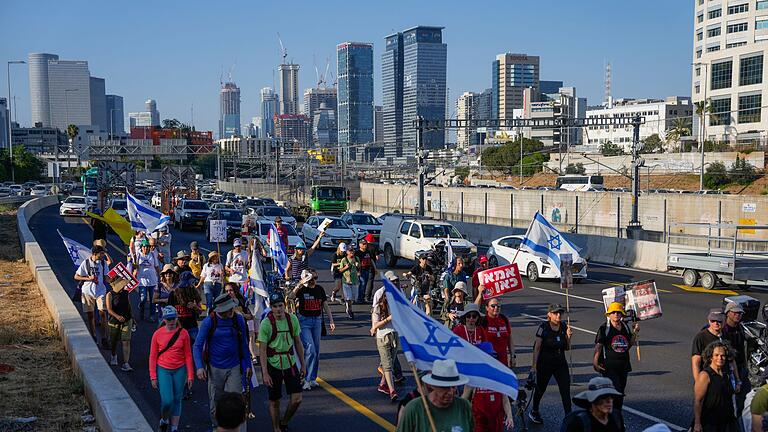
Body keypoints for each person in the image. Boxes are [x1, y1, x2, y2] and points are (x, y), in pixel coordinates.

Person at [193, 293, 252, 429]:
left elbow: (244, 343)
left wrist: (248, 364)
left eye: (232, 308)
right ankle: (217, 427)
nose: (232, 311)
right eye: (228, 309)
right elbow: (197, 345)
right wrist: (199, 367)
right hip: (215, 368)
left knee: (237, 403)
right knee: (215, 403)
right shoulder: (209, 321)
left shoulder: (238, 320)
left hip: (234, 366)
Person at [259, 292, 306, 432]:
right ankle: (276, 428)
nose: (278, 309)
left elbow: (298, 343)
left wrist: (303, 365)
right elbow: (262, 350)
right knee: (275, 400)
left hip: (290, 363)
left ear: (284, 306)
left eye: (280, 306)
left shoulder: (292, 319)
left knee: (297, 399)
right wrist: (265, 373)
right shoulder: (266, 324)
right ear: (271, 307)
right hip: (273, 364)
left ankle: (284, 422)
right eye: (275, 306)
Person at [149, 306, 194, 432]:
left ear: (176, 318)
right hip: (163, 369)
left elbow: (188, 355)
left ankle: (174, 428)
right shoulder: (157, 334)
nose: (171, 321)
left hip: (180, 369)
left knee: (177, 398)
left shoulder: (183, 333)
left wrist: (190, 375)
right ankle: (164, 419)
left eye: (173, 318)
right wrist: (153, 376)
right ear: (164, 320)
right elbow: (152, 356)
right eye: (168, 319)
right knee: (167, 400)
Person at [396, 359, 473, 432]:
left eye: (453, 387)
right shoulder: (413, 409)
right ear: (432, 385)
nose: (450, 392)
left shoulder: (465, 406)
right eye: (445, 387)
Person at [289, 269, 335, 390]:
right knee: (311, 350)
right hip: (304, 321)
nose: (313, 281)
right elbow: (290, 297)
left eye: (315, 278)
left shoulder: (319, 289)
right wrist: (300, 284)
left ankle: (313, 378)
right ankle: (306, 378)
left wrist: (331, 320)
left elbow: (325, 305)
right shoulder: (302, 289)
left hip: (317, 321)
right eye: (311, 279)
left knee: (316, 351)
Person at [593, 301, 639, 422]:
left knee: (620, 393)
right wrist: (595, 362)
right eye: (613, 312)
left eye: (618, 312)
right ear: (609, 315)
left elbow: (628, 345)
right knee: (615, 391)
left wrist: (635, 333)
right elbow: (599, 346)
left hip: (623, 365)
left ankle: (617, 416)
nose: (616, 314)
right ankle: (611, 417)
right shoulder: (604, 328)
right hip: (609, 366)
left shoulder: (625, 326)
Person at [530, 303, 573, 425]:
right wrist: (534, 366)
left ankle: (568, 416)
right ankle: (534, 410)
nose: (558, 315)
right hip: (545, 363)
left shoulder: (564, 326)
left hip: (560, 363)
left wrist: (569, 337)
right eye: (555, 313)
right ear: (549, 314)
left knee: (565, 389)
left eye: (560, 313)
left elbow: (567, 348)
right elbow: (537, 347)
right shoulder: (543, 327)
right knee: (540, 388)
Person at [466, 342, 514, 432]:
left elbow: (505, 399)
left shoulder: (498, 375)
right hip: (479, 419)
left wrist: (509, 416)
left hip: (497, 419)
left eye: (492, 357)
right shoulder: (474, 377)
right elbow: (464, 398)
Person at [693, 341, 739, 432]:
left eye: (723, 355)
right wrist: (697, 423)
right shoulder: (705, 375)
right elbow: (698, 401)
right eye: (716, 355)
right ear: (710, 357)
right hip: (711, 423)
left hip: (727, 422)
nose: (720, 358)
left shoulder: (726, 374)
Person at [692, 309, 739, 387]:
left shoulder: (727, 336)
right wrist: (699, 383)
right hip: (709, 380)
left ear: (724, 321)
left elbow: (731, 360)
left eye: (719, 321)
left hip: (725, 380)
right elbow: (696, 362)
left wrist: (737, 380)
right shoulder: (701, 337)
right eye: (712, 320)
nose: (715, 323)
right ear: (709, 320)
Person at [74, 245, 110, 348]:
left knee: (103, 313)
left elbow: (106, 277)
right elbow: (76, 276)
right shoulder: (86, 263)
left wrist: (114, 281)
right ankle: (94, 335)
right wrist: (88, 278)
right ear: (95, 254)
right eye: (102, 253)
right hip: (88, 292)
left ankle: (104, 337)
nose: (103, 255)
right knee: (90, 315)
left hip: (100, 291)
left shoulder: (103, 263)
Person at [371, 287, 400, 402]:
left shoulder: (395, 306)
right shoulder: (378, 307)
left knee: (390, 363)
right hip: (383, 338)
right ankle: (392, 391)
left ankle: (383, 384)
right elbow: (375, 325)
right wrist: (388, 319)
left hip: (394, 336)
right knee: (387, 365)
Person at [722, 302, 749, 417]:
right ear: (728, 313)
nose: (738, 315)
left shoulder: (740, 328)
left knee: (743, 398)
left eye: (740, 313)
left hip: (741, 367)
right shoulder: (723, 330)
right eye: (735, 313)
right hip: (729, 369)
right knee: (727, 400)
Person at [105, 276, 134, 371]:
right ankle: (113, 355)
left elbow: (129, 305)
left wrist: (132, 317)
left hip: (126, 319)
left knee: (126, 341)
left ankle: (126, 363)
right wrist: (117, 316)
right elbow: (109, 309)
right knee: (114, 340)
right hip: (114, 321)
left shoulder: (126, 293)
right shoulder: (110, 295)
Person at [480, 297, 516, 368]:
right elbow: (474, 309)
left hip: (503, 363)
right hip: (488, 362)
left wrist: (512, 356)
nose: (496, 308)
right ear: (487, 308)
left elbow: (509, 339)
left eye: (498, 306)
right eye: (493, 306)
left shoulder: (504, 319)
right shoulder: (483, 321)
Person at [168, 271, 202, 344]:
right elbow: (169, 313)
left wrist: (195, 306)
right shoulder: (173, 294)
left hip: (192, 326)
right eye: (192, 282)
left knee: (196, 346)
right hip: (178, 327)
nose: (193, 284)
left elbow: (200, 311)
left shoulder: (194, 291)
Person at [134, 239, 161, 321]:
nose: (146, 248)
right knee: (144, 298)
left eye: (147, 247)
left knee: (153, 299)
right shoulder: (138, 255)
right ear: (142, 247)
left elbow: (156, 266)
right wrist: (135, 272)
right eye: (144, 247)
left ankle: (152, 315)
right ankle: (141, 312)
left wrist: (160, 276)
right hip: (142, 282)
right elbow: (135, 267)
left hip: (152, 281)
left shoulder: (152, 255)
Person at [338, 244, 360, 319]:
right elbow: (340, 270)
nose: (352, 252)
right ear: (347, 252)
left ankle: (349, 305)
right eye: (350, 251)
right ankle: (349, 310)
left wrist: (358, 266)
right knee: (348, 297)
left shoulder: (357, 258)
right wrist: (345, 267)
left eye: (353, 250)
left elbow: (359, 268)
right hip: (346, 281)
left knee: (354, 298)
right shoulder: (344, 260)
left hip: (355, 281)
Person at [356, 238, 377, 304]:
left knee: (365, 284)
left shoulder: (367, 252)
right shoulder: (358, 253)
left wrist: (375, 269)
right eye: (363, 244)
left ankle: (363, 297)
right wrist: (357, 271)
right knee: (362, 283)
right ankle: (360, 298)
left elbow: (371, 260)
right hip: (361, 270)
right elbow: (356, 263)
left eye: (366, 244)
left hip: (367, 269)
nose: (365, 245)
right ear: (360, 245)